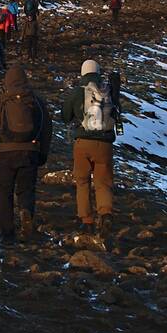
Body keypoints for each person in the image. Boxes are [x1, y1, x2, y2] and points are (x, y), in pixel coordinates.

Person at [0, 64, 52, 242]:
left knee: (5, 192)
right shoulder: (36, 101)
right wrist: (43, 153)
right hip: (30, 152)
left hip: (6, 153)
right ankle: (25, 212)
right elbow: (46, 128)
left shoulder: (1, 101)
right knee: (26, 190)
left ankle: (7, 231)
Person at [61, 60, 119, 238]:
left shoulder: (79, 91)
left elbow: (65, 116)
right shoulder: (107, 90)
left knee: (83, 182)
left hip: (83, 143)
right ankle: (106, 213)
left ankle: (87, 221)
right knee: (103, 182)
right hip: (105, 144)